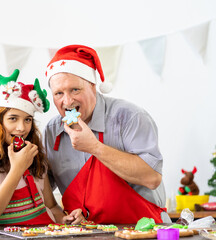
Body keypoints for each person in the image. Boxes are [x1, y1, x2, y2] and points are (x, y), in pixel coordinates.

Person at [43, 44, 171, 224]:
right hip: (87, 235)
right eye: (58, 93)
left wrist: (94, 147)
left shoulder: (129, 117)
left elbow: (152, 178)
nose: (67, 101)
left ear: (93, 86)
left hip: (142, 230)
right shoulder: (52, 131)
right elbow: (42, 190)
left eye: (75, 90)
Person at [0, 69, 80, 226]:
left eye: (27, 120)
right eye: (13, 119)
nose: (22, 128)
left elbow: (51, 206)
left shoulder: (34, 153)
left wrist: (65, 219)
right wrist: (17, 169)